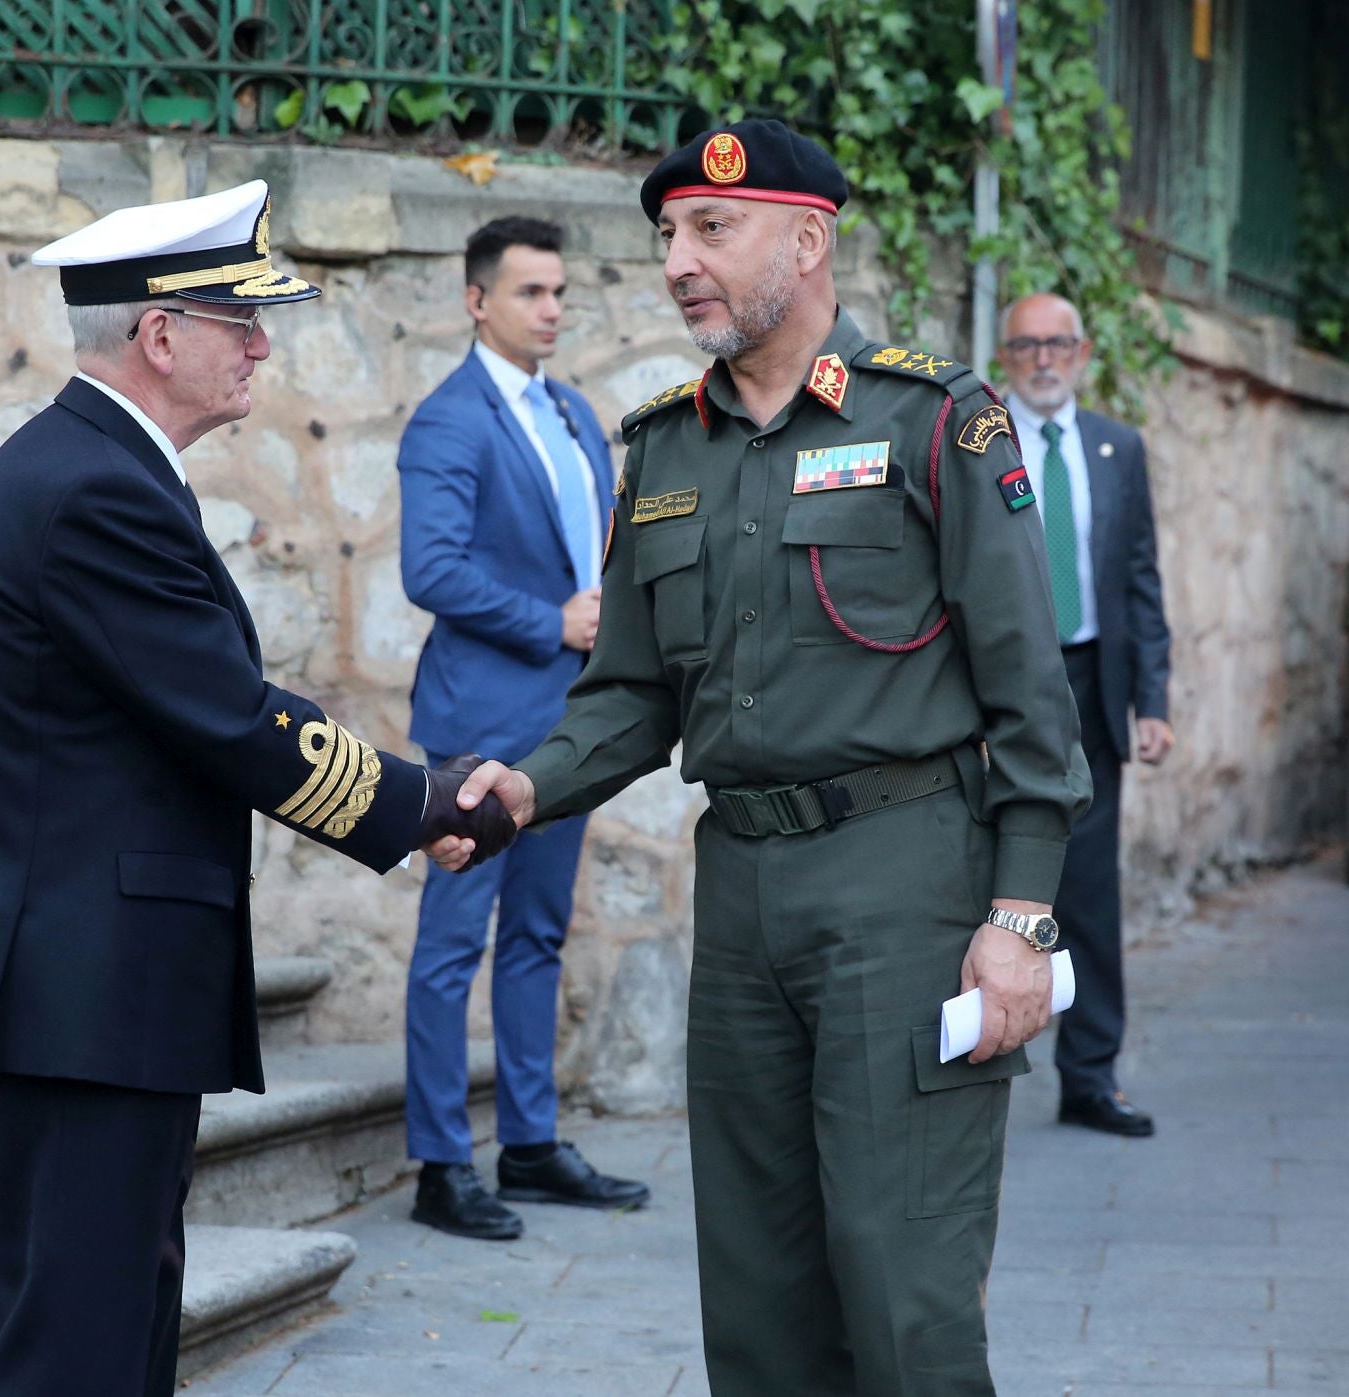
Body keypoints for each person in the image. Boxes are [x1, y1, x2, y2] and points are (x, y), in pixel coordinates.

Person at [439, 119, 1091, 1396]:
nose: (679, 259)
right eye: (669, 234)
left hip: (904, 887)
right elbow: (629, 691)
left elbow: (1030, 698)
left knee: (904, 1294)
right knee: (758, 1296)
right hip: (740, 890)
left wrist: (1021, 915)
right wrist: (528, 783)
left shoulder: (935, 421)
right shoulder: (665, 449)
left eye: (710, 230)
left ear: (809, 239)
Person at [0, 179, 515, 1397]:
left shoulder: (93, 468)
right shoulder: (91, 490)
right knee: (72, 1357)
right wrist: (425, 803)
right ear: (159, 337)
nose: (261, 344)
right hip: (80, 1001)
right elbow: (233, 720)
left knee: (114, 1337)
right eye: (238, 320)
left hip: (92, 995)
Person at [397, 216, 648, 1240]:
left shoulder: (578, 413)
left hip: (565, 727)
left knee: (540, 933)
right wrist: (552, 618)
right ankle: (440, 1161)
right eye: (531, 292)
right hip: (476, 725)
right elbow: (433, 569)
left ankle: (531, 1144)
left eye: (559, 292)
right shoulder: (448, 422)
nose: (552, 309)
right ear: (477, 300)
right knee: (453, 942)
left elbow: (601, 548)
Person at [1001, 292, 1173, 1138]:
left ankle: (1091, 1074)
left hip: (1093, 687)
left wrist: (1154, 702)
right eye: (1026, 344)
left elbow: (1141, 579)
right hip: (1000, 687)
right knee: (977, 881)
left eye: (1057, 343)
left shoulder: (1117, 448)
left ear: (1083, 351)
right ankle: (970, 1063)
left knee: (1090, 892)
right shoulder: (977, 441)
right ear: (1005, 355)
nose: (1043, 358)